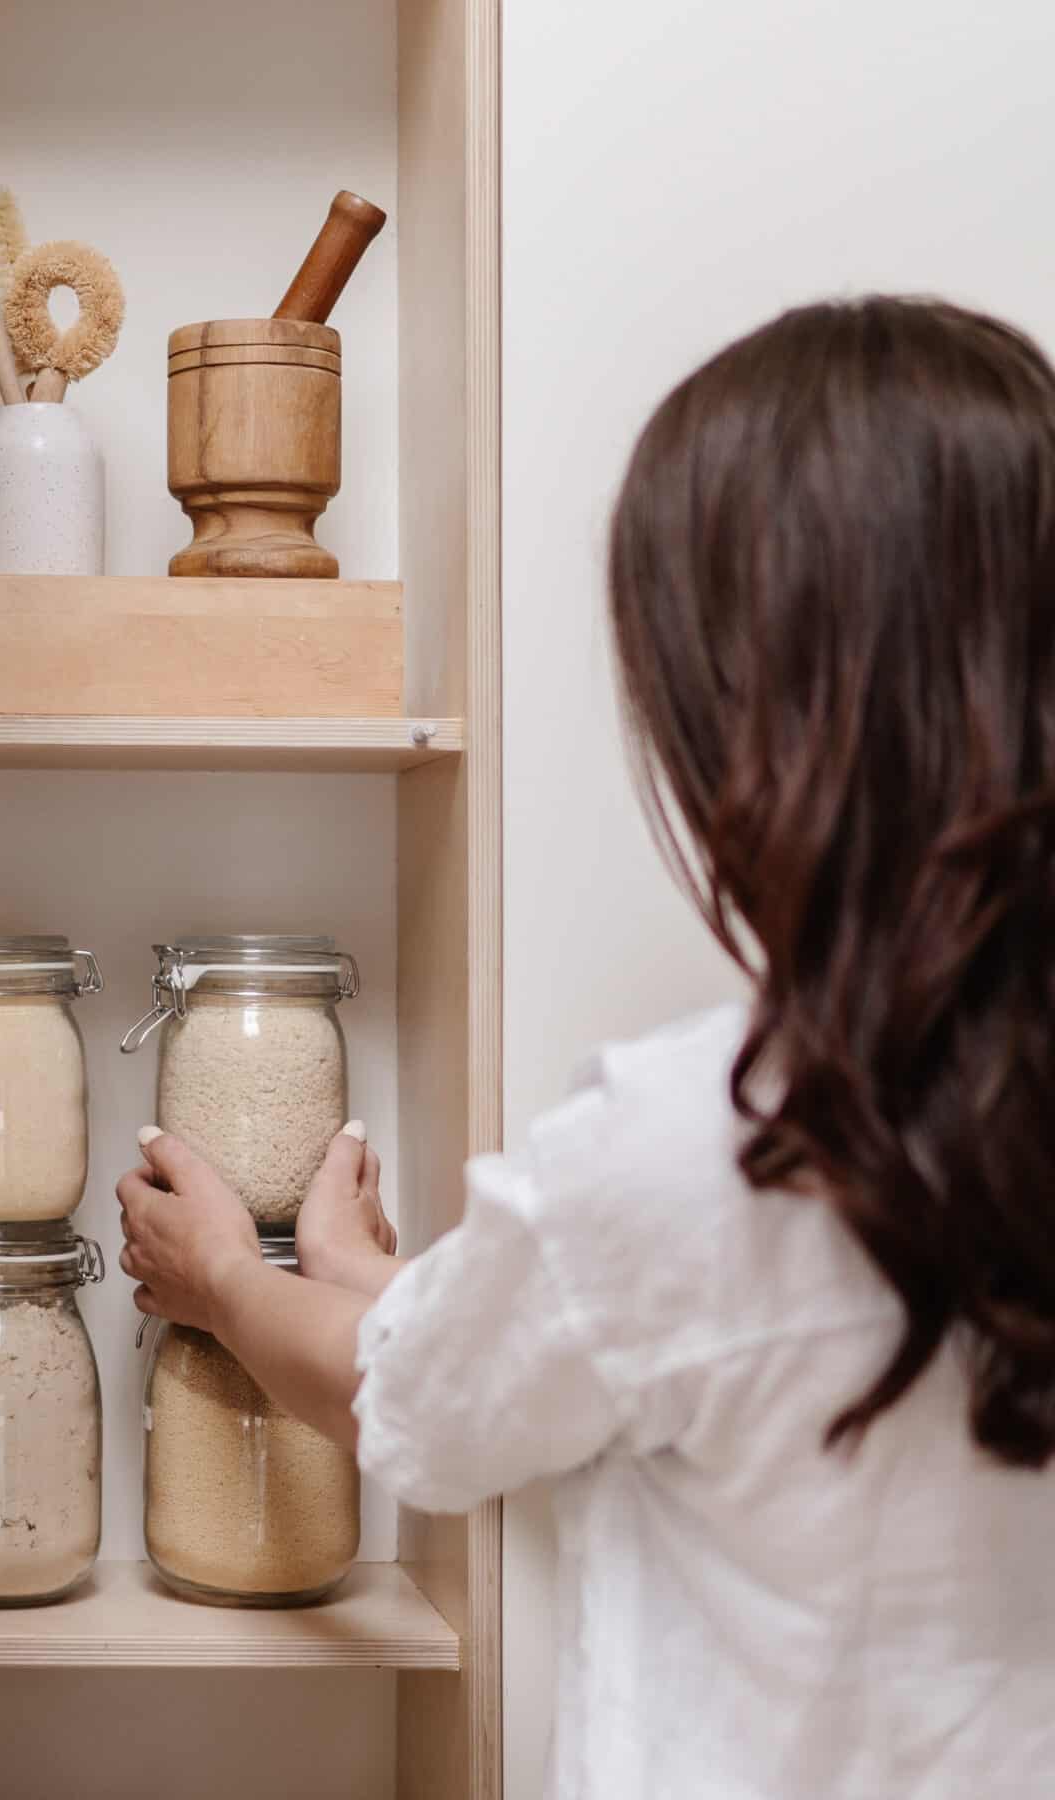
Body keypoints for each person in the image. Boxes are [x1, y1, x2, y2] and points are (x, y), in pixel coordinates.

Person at [117, 296, 1055, 1799]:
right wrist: (377, 1280)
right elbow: (568, 1336)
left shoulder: (719, 1133)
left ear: (757, 719)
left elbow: (409, 1406)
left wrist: (228, 1278)